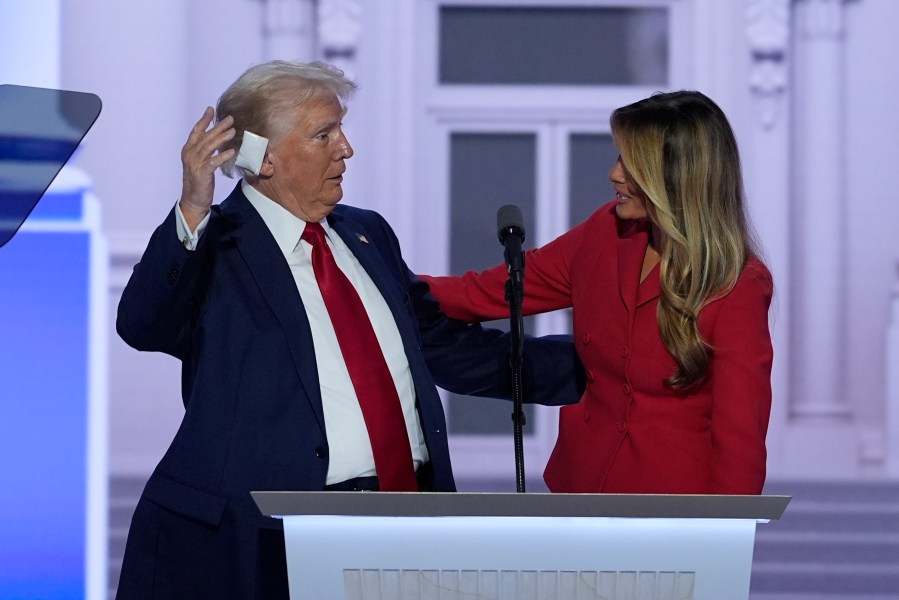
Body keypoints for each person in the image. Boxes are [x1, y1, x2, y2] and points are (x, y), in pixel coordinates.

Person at [115, 61, 577, 600]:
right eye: (323, 134)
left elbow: (446, 349)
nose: (346, 149)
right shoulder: (216, 246)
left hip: (406, 521)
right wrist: (194, 207)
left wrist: (606, 366)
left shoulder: (367, 233)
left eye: (341, 129)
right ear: (262, 157)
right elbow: (143, 324)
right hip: (269, 538)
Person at [422, 91, 774, 495]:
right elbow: (488, 292)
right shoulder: (606, 232)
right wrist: (379, 279)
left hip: (674, 512)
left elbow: (740, 437)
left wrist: (723, 537)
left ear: (677, 177)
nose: (614, 174)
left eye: (630, 163)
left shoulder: (738, 284)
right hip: (580, 491)